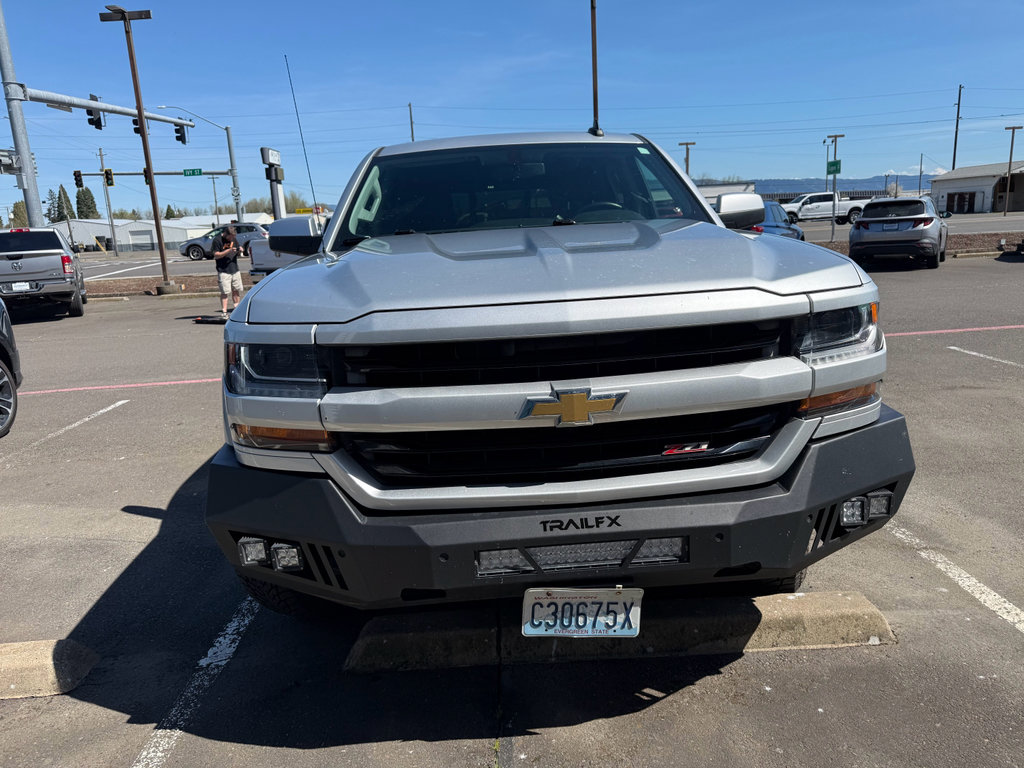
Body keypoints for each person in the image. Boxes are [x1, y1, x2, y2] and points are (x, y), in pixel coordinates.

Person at [211, 226, 243, 318]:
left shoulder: (233, 239)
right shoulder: (217, 240)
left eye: (233, 237)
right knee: (225, 292)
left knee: (236, 290)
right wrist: (228, 250)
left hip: (234, 269)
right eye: (230, 237)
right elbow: (216, 255)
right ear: (226, 234)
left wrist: (239, 250)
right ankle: (224, 312)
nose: (232, 239)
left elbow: (237, 248)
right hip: (223, 270)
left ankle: (236, 309)